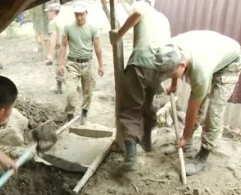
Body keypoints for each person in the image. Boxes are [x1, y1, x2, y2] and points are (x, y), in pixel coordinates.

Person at [159, 30, 241, 176]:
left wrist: (183, 136)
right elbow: (172, 67)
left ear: (183, 65)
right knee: (199, 98)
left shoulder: (200, 72)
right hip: (211, 52)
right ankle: (188, 143)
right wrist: (173, 84)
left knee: (214, 111)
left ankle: (203, 155)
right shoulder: (170, 48)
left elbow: (193, 109)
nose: (170, 76)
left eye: (172, 75)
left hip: (230, 62)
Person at [109, 0, 171, 170]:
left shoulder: (142, 6)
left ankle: (130, 156)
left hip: (141, 63)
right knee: (148, 103)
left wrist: (119, 33)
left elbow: (137, 13)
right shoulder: (163, 18)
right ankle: (147, 139)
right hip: (160, 67)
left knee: (130, 107)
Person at [59, 1, 104, 125]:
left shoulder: (92, 28)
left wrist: (101, 65)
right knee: (70, 92)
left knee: (88, 91)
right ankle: (70, 116)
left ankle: (84, 114)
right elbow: (63, 45)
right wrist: (61, 64)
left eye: (81, 14)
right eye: (76, 14)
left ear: (86, 13)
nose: (79, 17)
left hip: (88, 63)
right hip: (72, 63)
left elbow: (97, 47)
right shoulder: (68, 27)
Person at [45, 3, 65, 94]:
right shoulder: (62, 21)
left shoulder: (52, 23)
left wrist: (50, 54)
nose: (48, 13)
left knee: (58, 67)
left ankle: (60, 88)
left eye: (48, 11)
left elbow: (53, 37)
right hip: (66, 47)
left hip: (58, 47)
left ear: (53, 11)